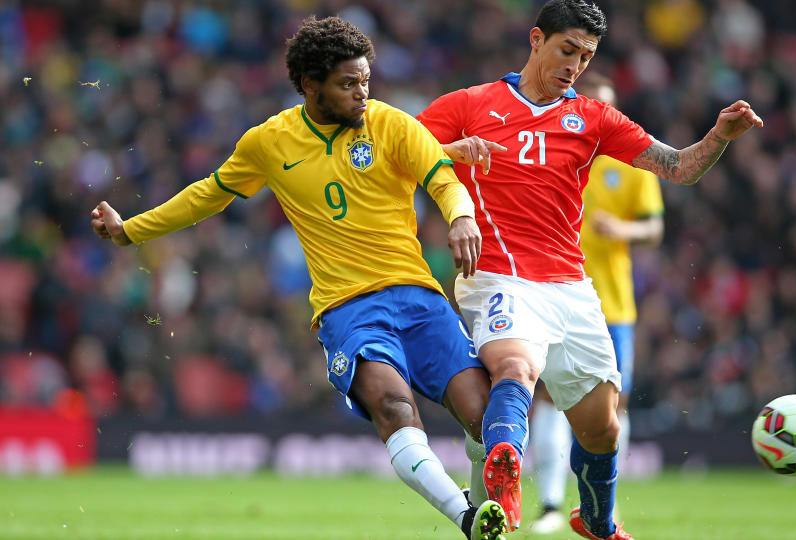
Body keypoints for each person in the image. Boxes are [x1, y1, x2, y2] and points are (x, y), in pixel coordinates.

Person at [90, 16, 507, 540]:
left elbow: (441, 179)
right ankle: (468, 518)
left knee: (486, 420)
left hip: (421, 300)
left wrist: (462, 217)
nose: (362, 94)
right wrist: (130, 230)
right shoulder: (270, 142)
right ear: (311, 86)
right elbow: (206, 194)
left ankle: (481, 499)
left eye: (365, 81)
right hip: (349, 309)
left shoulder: (392, 123)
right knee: (394, 407)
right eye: (348, 84)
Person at [417, 1, 763, 538]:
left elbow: (679, 167)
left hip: (571, 288)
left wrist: (719, 137)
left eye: (586, 56)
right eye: (566, 49)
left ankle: (595, 519)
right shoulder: (471, 104)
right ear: (536, 39)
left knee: (602, 427)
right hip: (497, 275)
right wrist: (451, 149)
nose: (574, 65)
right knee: (516, 367)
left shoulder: (594, 119)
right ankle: (505, 466)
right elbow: (398, 153)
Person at [528, 73, 665, 535]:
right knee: (547, 396)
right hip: (555, 293)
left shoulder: (632, 166)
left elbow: (653, 227)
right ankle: (549, 503)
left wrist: (622, 231)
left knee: (613, 405)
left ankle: (604, 507)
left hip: (613, 304)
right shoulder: (556, 155)